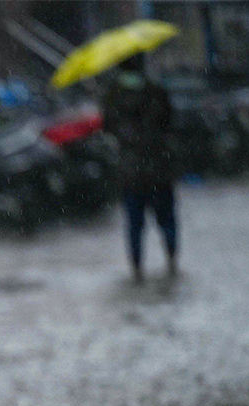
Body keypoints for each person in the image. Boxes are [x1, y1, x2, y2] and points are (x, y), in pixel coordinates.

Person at [102, 53, 178, 282]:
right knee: (167, 220)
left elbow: (108, 127)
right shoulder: (157, 91)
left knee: (135, 225)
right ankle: (172, 263)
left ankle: (137, 269)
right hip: (159, 169)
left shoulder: (113, 95)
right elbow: (170, 123)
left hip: (131, 172)